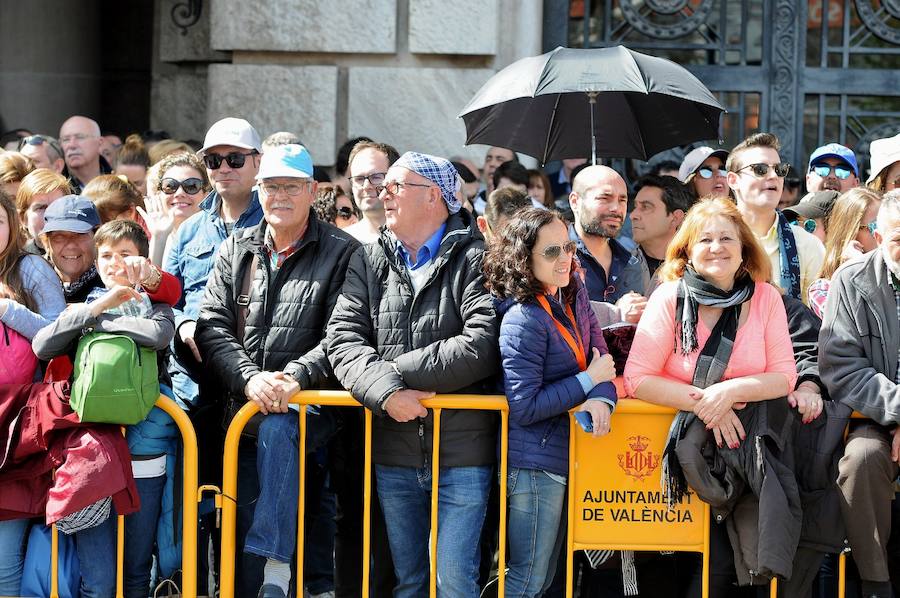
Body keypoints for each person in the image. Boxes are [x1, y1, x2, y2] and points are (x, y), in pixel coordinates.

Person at [327, 152, 500, 597]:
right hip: (392, 449)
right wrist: (386, 394)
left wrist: (390, 372)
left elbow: (480, 346)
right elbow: (343, 341)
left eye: (395, 186)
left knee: (454, 582)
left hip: (462, 453)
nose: (383, 193)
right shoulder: (367, 258)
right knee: (409, 584)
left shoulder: (477, 258)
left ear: (435, 197)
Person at [196, 144, 359, 598]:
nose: (279, 196)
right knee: (241, 570)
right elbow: (212, 328)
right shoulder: (237, 248)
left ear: (312, 190)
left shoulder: (345, 251)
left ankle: (276, 563)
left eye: (290, 186)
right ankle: (269, 568)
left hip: (314, 417)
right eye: (270, 186)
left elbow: (345, 332)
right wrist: (251, 378)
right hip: (244, 416)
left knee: (280, 428)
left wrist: (295, 378)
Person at [623, 197, 799, 597]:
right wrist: (706, 404)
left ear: (743, 250)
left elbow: (784, 376)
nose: (716, 247)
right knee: (691, 572)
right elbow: (638, 378)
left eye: (726, 238)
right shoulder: (669, 298)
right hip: (682, 457)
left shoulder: (766, 298)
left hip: (748, 452)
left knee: (733, 570)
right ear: (687, 250)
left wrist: (728, 391)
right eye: (705, 239)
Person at [33, 219, 177, 598]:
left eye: (126, 255)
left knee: (135, 568)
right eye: (107, 255)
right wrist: (98, 308)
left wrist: (105, 321)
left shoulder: (157, 305)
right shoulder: (84, 305)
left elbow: (158, 336)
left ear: (142, 260)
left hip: (146, 443)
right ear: (96, 261)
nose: (115, 263)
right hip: (90, 454)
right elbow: (43, 345)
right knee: (98, 580)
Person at [484, 207, 617, 597]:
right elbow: (525, 406)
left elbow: (603, 360)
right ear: (523, 258)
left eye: (569, 247)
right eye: (551, 252)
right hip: (534, 466)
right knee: (528, 579)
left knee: (544, 580)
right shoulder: (522, 317)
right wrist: (586, 382)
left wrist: (601, 399)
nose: (566, 259)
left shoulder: (575, 297)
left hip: (567, 457)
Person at [818, 192, 900, 598]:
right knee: (861, 462)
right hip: (872, 416)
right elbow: (842, 368)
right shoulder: (851, 280)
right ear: (878, 235)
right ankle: (875, 583)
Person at [164, 117, 263, 411]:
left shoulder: (275, 224)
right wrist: (183, 324)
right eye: (213, 160)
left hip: (254, 381)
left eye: (234, 159)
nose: (223, 168)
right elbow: (164, 299)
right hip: (192, 382)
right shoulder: (189, 229)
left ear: (258, 162)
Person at [0, 189, 65, 593]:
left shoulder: (29, 270)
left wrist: (7, 310)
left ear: (12, 224)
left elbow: (59, 334)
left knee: (5, 560)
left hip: (17, 434)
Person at [726, 132, 824, 305]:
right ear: (733, 180)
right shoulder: (713, 241)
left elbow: (816, 319)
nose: (773, 176)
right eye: (760, 169)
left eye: (779, 170)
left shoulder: (807, 245)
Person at [41, 194, 180, 306]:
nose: (70, 245)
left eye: (79, 234)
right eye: (59, 236)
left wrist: (149, 274)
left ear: (97, 235)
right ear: (46, 242)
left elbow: (170, 294)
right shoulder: (35, 279)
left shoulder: (117, 276)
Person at [567, 165, 649, 318]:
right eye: (604, 198)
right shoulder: (558, 257)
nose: (616, 208)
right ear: (575, 202)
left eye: (622, 200)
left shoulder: (631, 264)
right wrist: (614, 313)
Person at [138, 151, 211, 267]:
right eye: (170, 186)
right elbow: (153, 284)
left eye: (191, 186)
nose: (180, 193)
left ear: (206, 195)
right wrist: (158, 238)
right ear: (159, 194)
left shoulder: (219, 237)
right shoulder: (140, 243)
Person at [630, 174, 694, 285]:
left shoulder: (696, 269)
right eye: (635, 207)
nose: (633, 215)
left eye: (646, 207)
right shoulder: (619, 266)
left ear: (675, 218)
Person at [343, 140, 399, 244]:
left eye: (376, 177)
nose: (366, 186)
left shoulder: (415, 239)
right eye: (359, 179)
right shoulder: (341, 243)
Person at [15, 168, 72, 255]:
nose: (50, 214)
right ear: (23, 219)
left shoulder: (87, 253)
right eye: (41, 208)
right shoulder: (17, 266)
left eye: (57, 206)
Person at [59, 115, 112, 193]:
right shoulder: (55, 190)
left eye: (80, 137)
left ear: (100, 143)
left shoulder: (119, 184)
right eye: (66, 139)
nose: (72, 145)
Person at [83, 174, 148, 230]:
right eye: (93, 230)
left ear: (130, 212)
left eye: (107, 227)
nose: (98, 237)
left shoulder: (153, 240)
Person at [473, 146, 517, 214]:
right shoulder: (472, 202)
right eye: (488, 159)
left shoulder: (525, 209)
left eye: (500, 159)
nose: (492, 164)